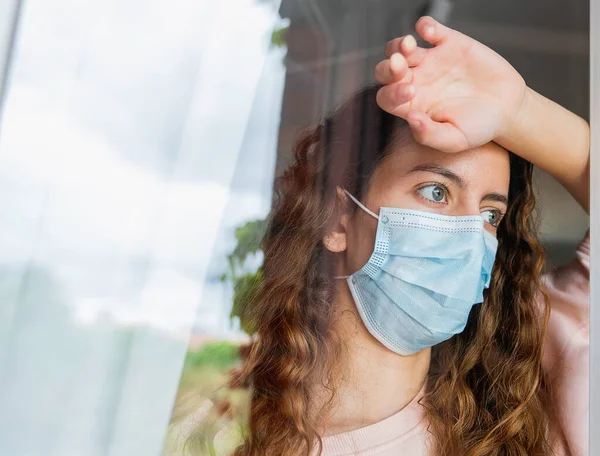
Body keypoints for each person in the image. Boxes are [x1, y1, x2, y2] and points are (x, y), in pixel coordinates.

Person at [179, 16, 589, 456]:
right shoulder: (241, 439)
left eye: (491, 215)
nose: (471, 236)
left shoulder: (533, 397)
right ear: (339, 219)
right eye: (437, 192)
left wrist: (520, 112)